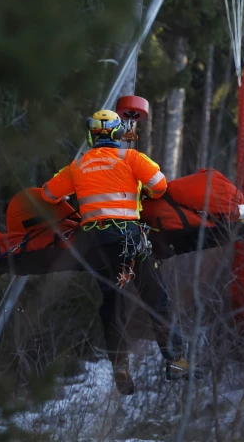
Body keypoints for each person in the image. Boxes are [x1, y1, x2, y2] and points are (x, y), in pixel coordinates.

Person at [40, 109, 202, 395]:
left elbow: (48, 194)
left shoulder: (77, 166)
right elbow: (160, 186)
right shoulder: (131, 158)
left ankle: (120, 368)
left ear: (91, 135)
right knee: (157, 299)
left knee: (113, 305)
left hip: (95, 246)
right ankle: (176, 362)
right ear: (116, 134)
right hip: (129, 239)